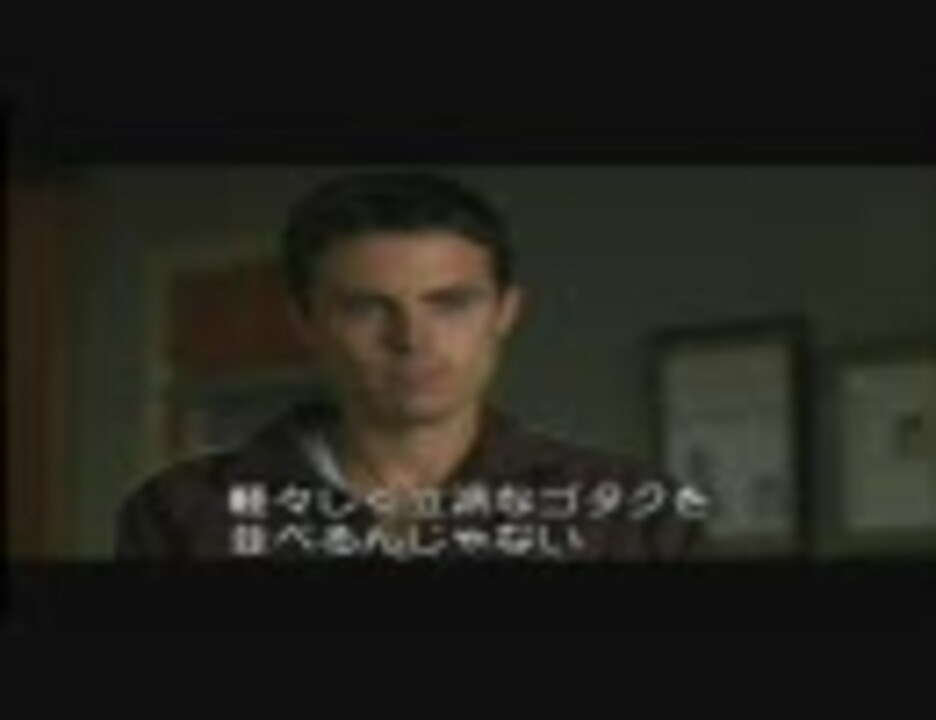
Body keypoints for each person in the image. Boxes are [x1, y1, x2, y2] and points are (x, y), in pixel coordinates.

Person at [116, 171, 708, 561]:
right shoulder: (183, 513)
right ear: (305, 323)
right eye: (366, 307)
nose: (410, 339)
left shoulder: (631, 515)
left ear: (505, 312)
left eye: (450, 304)